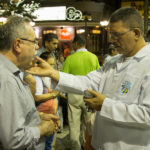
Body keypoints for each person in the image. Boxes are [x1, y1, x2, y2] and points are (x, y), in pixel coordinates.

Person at [26, 7, 150, 150]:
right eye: (110, 34)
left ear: (136, 33)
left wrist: (106, 106)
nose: (111, 40)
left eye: (116, 35)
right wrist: (53, 74)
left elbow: (147, 114)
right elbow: (87, 82)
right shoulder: (113, 61)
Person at [0, 16, 59, 150]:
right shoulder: (7, 80)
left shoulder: (12, 73)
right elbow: (13, 140)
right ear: (18, 44)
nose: (37, 47)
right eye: (34, 42)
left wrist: (38, 116)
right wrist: (43, 129)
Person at [62, 35, 100, 150]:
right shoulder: (93, 57)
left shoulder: (70, 58)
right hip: (90, 94)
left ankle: (75, 146)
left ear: (77, 44)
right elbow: (99, 77)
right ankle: (87, 145)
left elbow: (65, 77)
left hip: (74, 94)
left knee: (73, 123)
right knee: (88, 123)